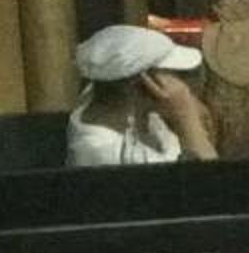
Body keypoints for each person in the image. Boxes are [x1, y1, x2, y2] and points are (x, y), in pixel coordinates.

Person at [67, 24, 217, 169]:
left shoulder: (110, 95)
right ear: (144, 82)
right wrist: (187, 117)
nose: (179, 81)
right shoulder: (105, 153)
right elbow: (211, 180)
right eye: (171, 72)